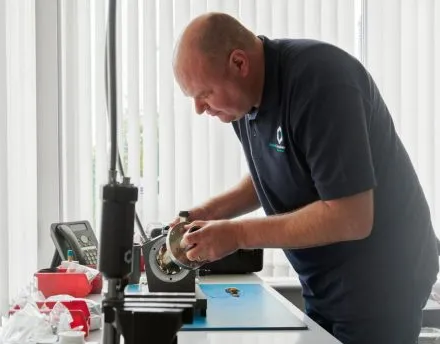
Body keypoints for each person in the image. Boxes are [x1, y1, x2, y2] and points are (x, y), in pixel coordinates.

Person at [170, 12, 438, 344]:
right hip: (324, 281)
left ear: (239, 63)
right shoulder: (242, 104)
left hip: (383, 279)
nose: (199, 108)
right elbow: (272, 172)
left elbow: (351, 217)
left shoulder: (322, 83)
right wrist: (208, 213)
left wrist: (236, 234)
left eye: (204, 93)